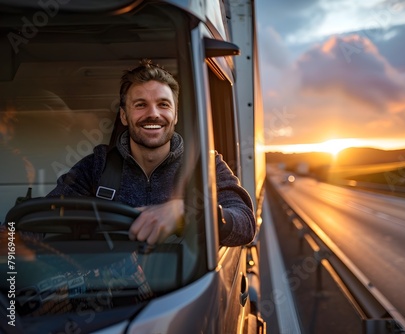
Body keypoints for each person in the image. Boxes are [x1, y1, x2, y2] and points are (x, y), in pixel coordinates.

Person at [47, 59, 255, 247]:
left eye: (163, 105)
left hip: (188, 288)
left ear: (175, 116)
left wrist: (186, 213)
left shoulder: (205, 164)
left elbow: (245, 224)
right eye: (140, 105)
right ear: (124, 116)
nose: (153, 114)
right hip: (113, 288)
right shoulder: (96, 166)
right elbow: (46, 218)